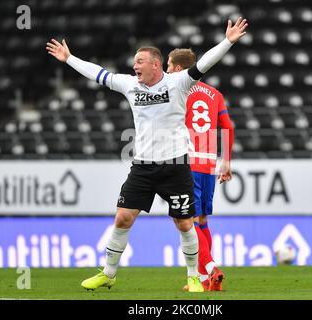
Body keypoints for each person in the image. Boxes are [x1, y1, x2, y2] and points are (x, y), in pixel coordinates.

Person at [46, 17, 248, 292]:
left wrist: (227, 42)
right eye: (134, 62)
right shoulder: (130, 85)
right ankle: (108, 272)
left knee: (184, 223)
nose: (134, 66)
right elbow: (98, 73)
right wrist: (69, 58)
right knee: (122, 217)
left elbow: (205, 63)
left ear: (156, 63)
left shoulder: (179, 83)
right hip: (142, 166)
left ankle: (194, 277)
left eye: (139, 61)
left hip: (176, 165)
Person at [166, 48, 234, 291]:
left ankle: (210, 268)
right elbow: (227, 127)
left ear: (177, 69)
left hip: (185, 162)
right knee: (201, 219)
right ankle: (206, 280)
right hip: (208, 162)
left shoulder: (176, 89)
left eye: (168, 65)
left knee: (184, 219)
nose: (166, 70)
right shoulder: (215, 94)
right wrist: (226, 161)